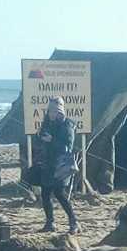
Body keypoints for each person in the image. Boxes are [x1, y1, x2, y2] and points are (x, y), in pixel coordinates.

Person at [38, 96, 80, 234]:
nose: (51, 113)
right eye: (50, 110)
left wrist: (52, 140)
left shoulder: (67, 124)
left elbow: (67, 146)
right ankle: (50, 223)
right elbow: (40, 139)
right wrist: (40, 136)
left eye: (54, 111)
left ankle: (74, 222)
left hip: (62, 164)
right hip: (48, 163)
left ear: (60, 111)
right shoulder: (47, 122)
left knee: (60, 194)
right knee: (45, 194)